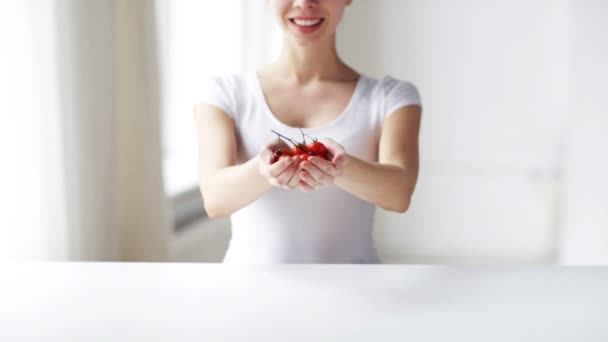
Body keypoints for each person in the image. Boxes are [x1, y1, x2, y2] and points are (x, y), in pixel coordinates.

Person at [193, 0, 422, 264]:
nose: (304, 3)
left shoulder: (391, 96)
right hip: (248, 292)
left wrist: (341, 168)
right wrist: (263, 169)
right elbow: (215, 199)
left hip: (356, 294)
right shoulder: (223, 93)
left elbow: (399, 195)